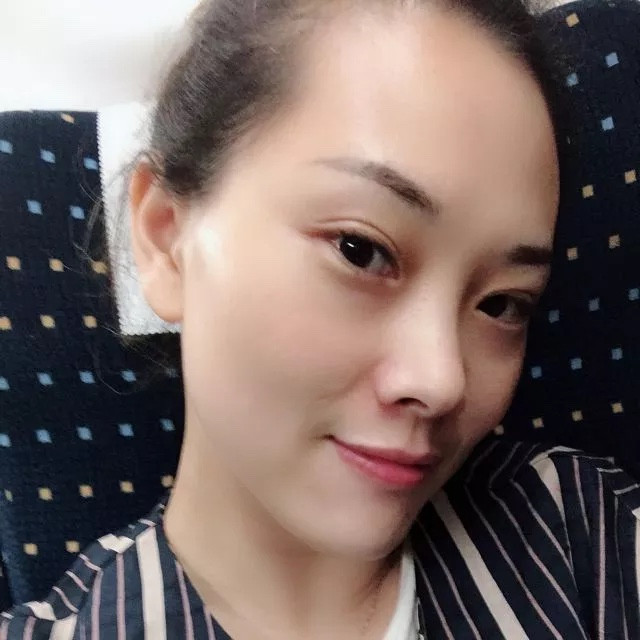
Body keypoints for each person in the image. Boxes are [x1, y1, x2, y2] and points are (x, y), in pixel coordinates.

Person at [2, 0, 639, 638]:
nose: (443, 380)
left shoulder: (581, 529)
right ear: (167, 238)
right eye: (361, 250)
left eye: (502, 304)